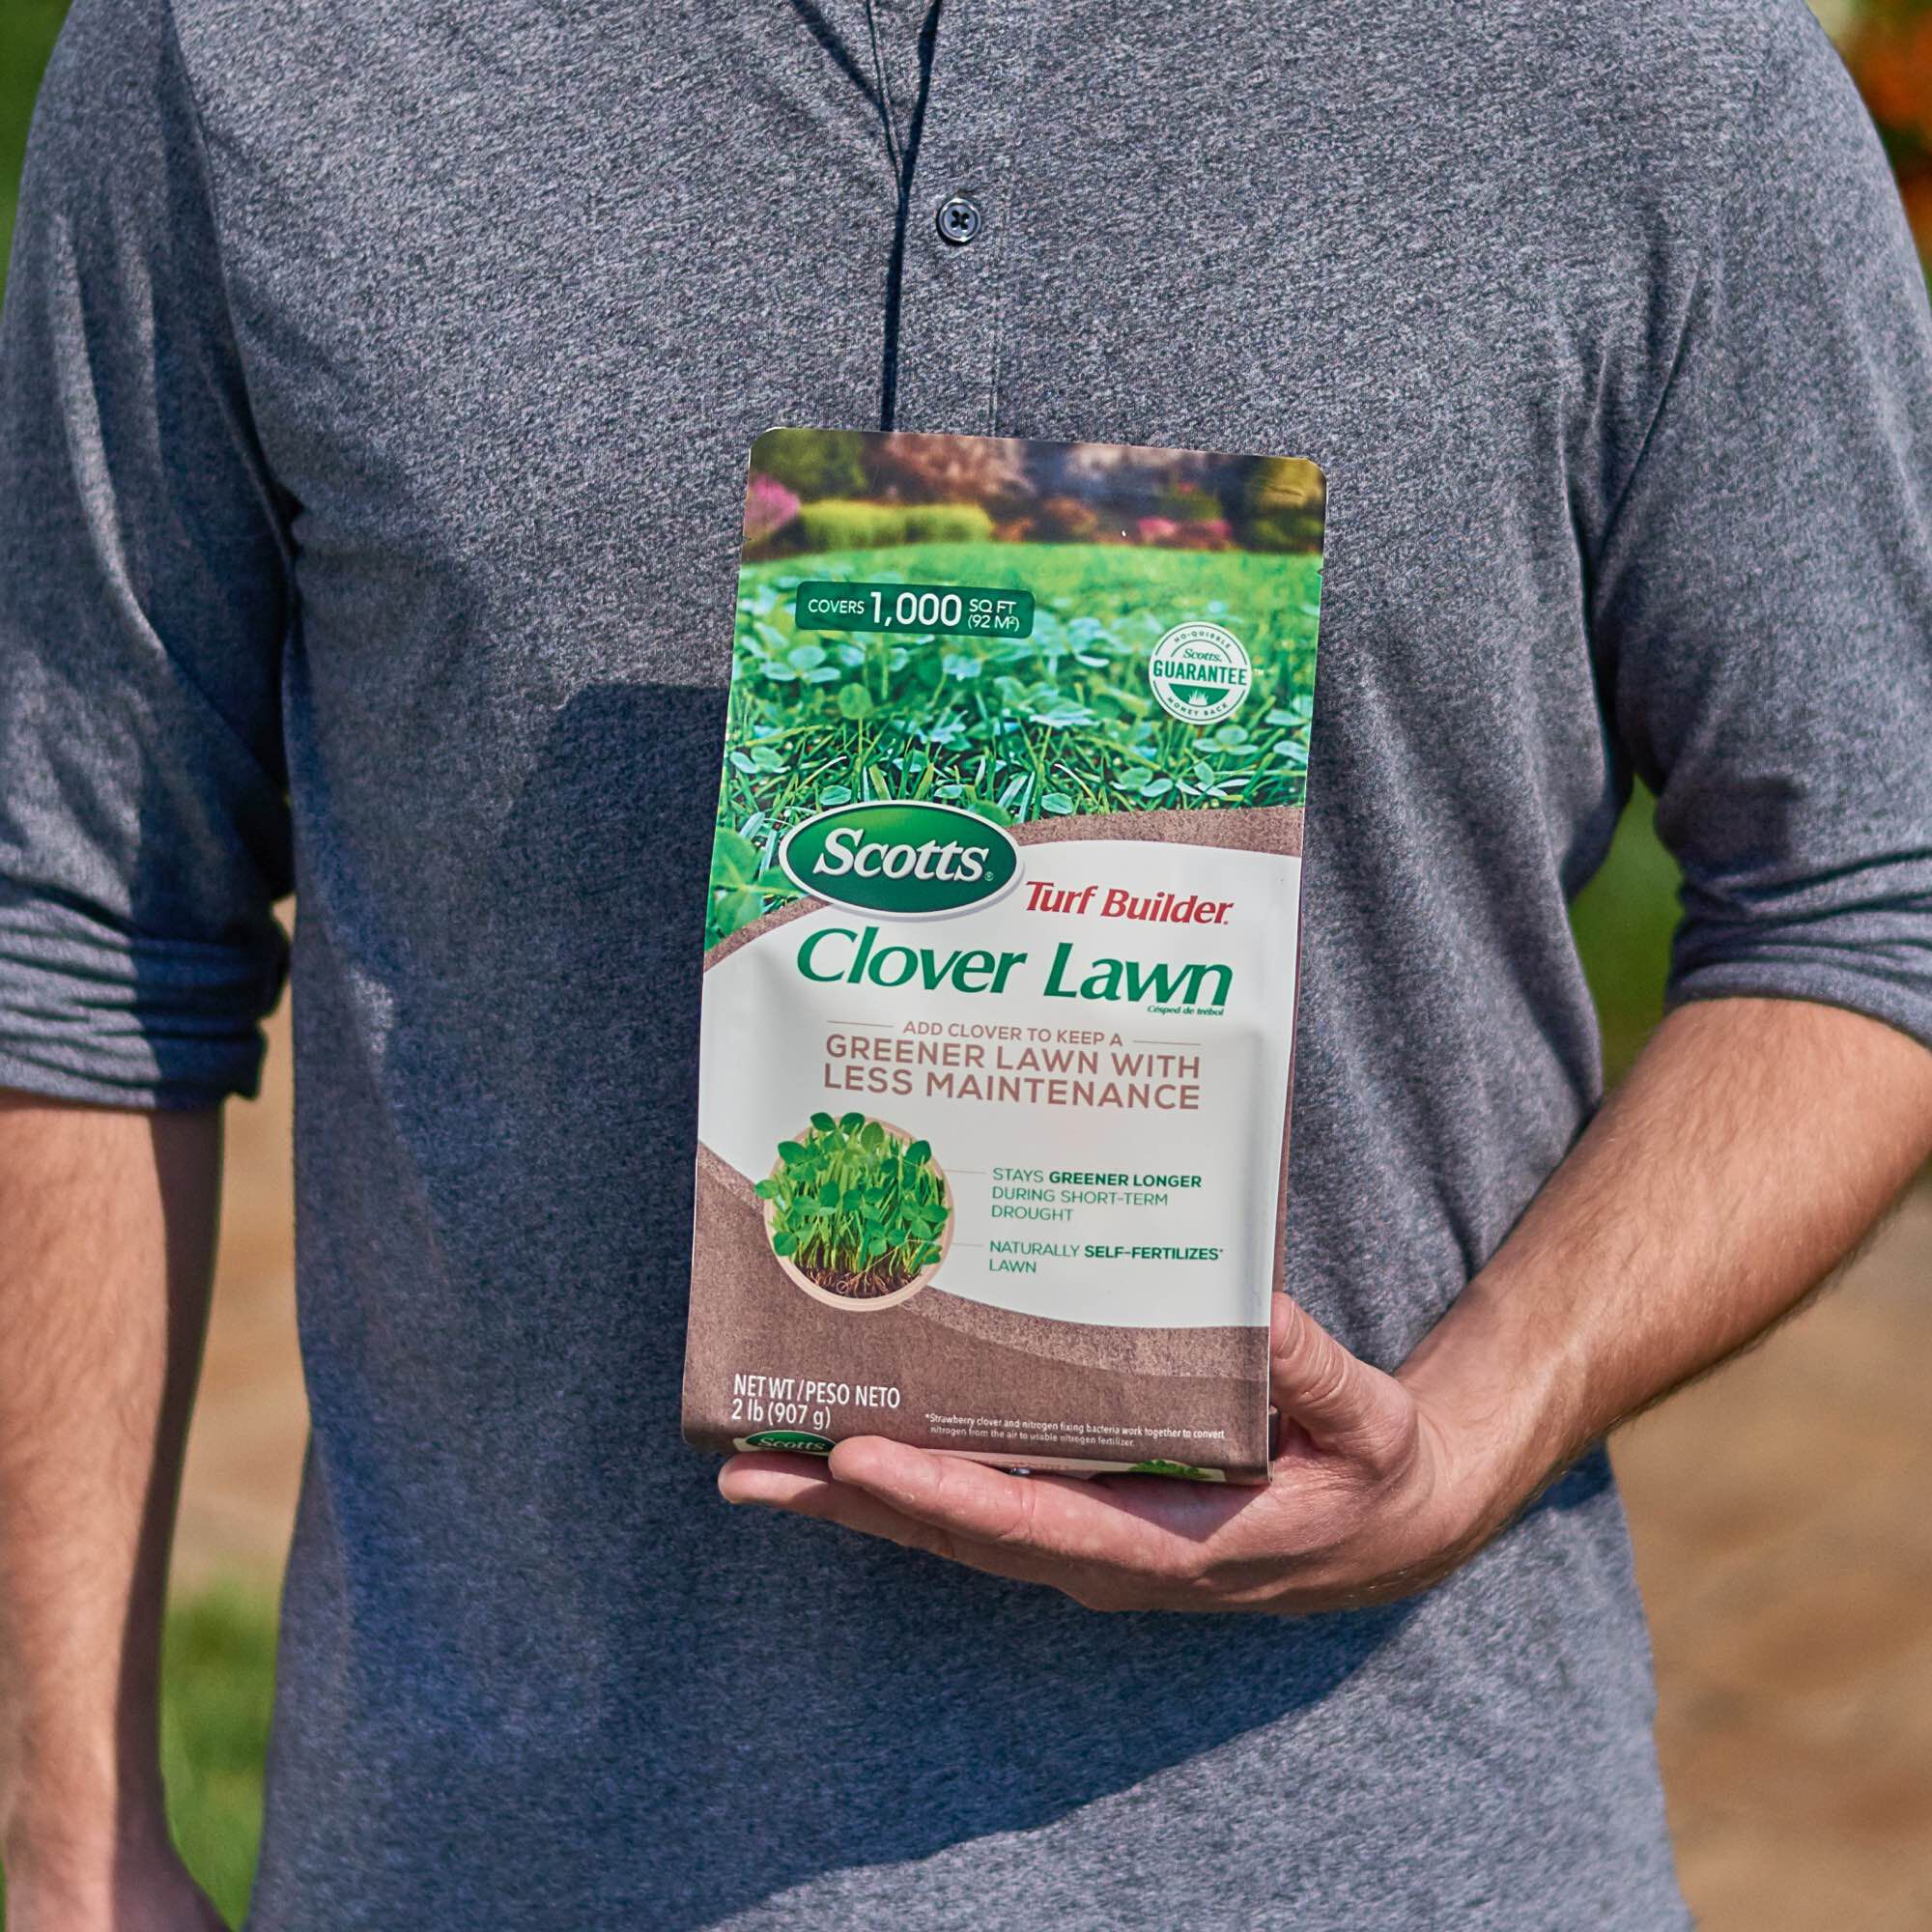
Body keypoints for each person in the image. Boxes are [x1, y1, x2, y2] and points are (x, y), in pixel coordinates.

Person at [2, 0, 1929, 1925]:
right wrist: (77, 1846)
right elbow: (76, 910)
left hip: (1397, 1853)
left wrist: (1484, 1421)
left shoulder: (1645, 64)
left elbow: (1874, 886)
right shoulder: (243, 48)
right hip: (503, 1864)